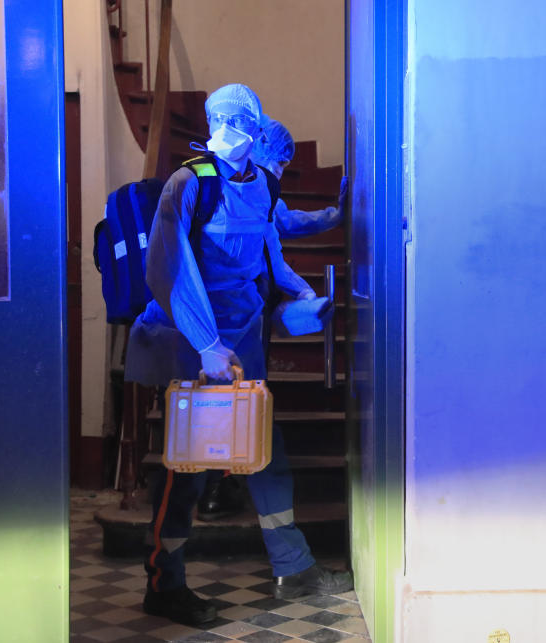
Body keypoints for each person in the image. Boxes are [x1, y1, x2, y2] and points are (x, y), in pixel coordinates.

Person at [124, 83, 353, 627]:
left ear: (255, 127)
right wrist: (206, 346)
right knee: (188, 469)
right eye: (217, 119)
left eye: (235, 120)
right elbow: (167, 269)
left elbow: (269, 271)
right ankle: (165, 582)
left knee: (266, 456)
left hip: (244, 347)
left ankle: (293, 567)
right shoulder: (190, 183)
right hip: (195, 349)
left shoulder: (263, 193)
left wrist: (305, 308)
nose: (225, 129)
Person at [195, 115, 347, 521]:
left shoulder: (233, 186)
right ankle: (223, 483)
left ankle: (215, 485)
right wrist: (306, 291)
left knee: (220, 400)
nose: (279, 172)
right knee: (240, 402)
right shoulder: (256, 190)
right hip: (242, 319)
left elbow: (279, 232)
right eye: (280, 162)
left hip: (213, 319)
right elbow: (279, 249)